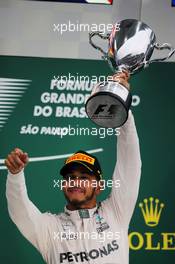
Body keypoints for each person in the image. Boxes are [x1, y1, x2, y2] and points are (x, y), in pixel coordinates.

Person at [5, 71, 142, 264]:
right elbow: (20, 211)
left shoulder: (115, 212)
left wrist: (122, 108)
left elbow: (130, 163)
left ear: (99, 186)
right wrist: (15, 174)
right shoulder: (50, 229)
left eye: (84, 178)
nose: (75, 182)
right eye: (70, 177)